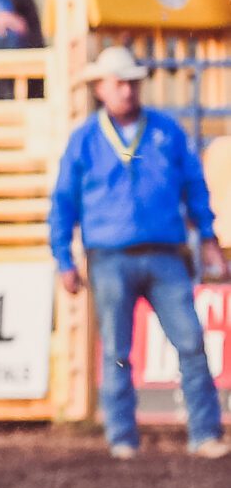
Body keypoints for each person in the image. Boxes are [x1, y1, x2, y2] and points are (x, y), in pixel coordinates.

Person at [48, 46, 229, 461]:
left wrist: (207, 235)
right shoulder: (84, 140)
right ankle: (122, 438)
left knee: (190, 341)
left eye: (132, 82)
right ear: (100, 88)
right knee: (116, 351)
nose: (127, 90)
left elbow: (195, 186)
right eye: (119, 83)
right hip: (109, 256)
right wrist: (64, 258)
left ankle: (204, 433)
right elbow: (63, 202)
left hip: (166, 253)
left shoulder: (166, 131)